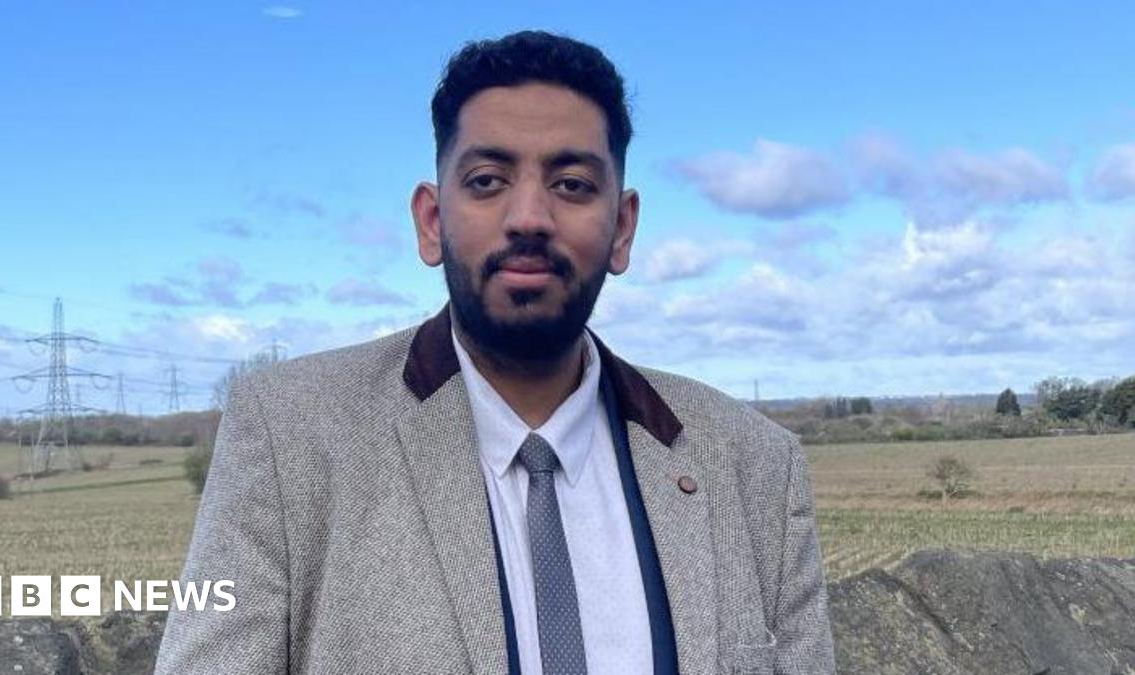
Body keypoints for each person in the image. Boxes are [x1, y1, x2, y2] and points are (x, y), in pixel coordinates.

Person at [155, 30, 834, 675]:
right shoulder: (287, 431)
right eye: (487, 180)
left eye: (571, 183)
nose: (530, 216)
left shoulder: (755, 465)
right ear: (431, 220)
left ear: (623, 228)